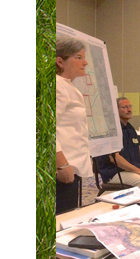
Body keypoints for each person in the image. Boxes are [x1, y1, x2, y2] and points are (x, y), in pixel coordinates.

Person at [54, 37, 96, 213]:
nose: (85, 62)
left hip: (72, 168)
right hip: (61, 170)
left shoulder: (69, 87)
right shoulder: (57, 86)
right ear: (60, 61)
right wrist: (61, 165)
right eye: (78, 57)